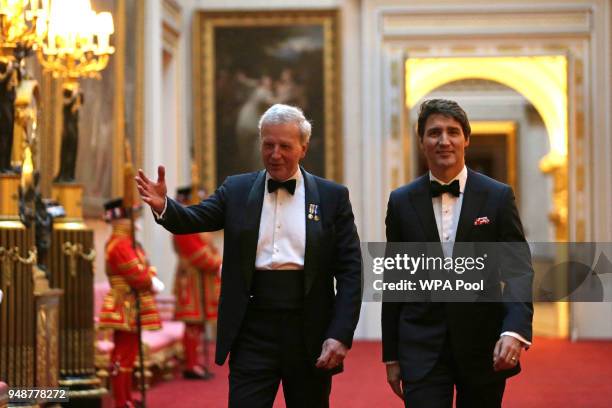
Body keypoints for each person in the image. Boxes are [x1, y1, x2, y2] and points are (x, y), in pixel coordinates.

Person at [135, 104, 362, 408]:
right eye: (268, 145)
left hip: (310, 330)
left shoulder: (332, 197)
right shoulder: (237, 189)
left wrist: (341, 333)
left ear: (303, 148)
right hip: (252, 329)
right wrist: (164, 205)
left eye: (285, 146)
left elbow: (350, 270)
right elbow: (194, 219)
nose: (275, 154)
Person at [382, 99, 533, 408]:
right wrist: (392, 354)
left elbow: (517, 269)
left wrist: (514, 329)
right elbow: (395, 280)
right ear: (422, 141)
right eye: (434, 132)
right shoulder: (400, 201)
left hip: (483, 344)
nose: (444, 140)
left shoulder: (498, 196)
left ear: (466, 139)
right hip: (421, 346)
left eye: (452, 132)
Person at [98, 198, 165, 408]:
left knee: (128, 354)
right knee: (123, 355)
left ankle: (125, 398)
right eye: (133, 217)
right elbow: (137, 274)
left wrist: (149, 274)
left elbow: (144, 267)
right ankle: (121, 400)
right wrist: (150, 279)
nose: (136, 222)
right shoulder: (120, 244)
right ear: (123, 219)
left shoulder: (127, 242)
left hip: (131, 303)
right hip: (124, 303)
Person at [172, 186, 222, 379]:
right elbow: (197, 253)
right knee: (192, 323)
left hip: (202, 280)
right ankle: (191, 364)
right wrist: (217, 262)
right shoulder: (182, 224)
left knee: (198, 325)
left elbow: (208, 248)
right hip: (191, 280)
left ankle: (195, 362)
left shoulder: (194, 222)